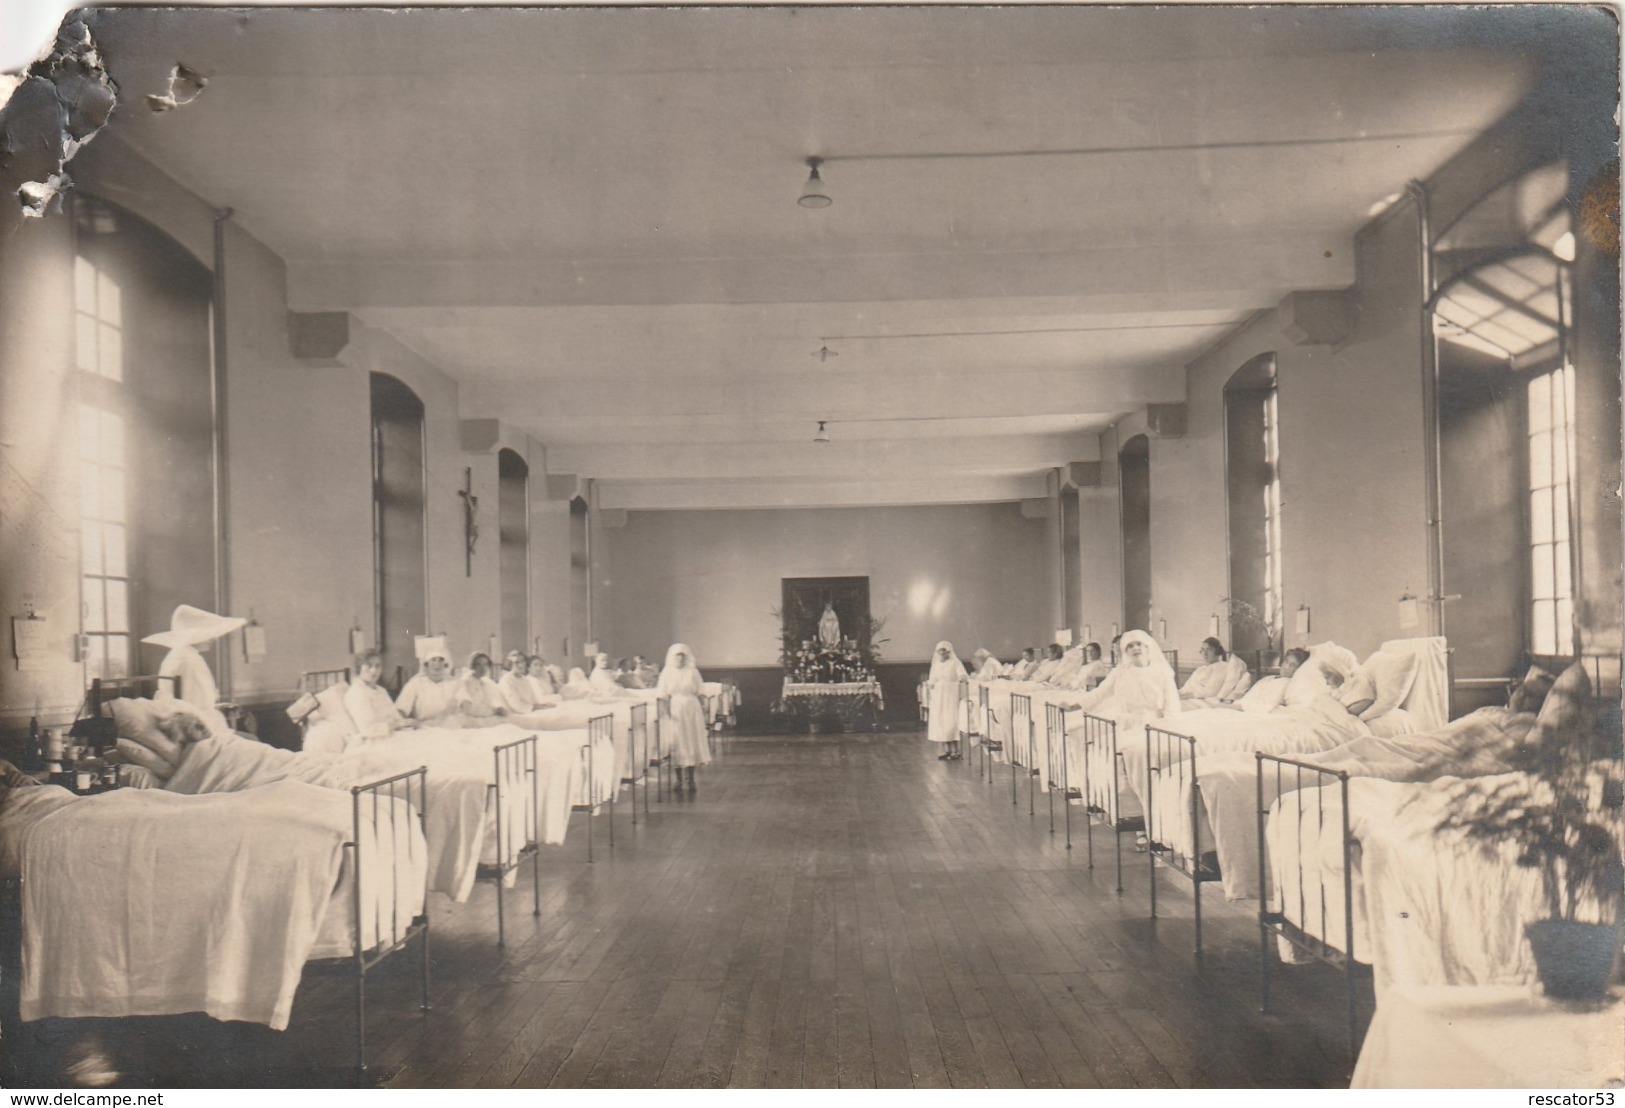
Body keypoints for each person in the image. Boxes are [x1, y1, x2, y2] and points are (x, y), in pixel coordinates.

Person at [142, 604, 246, 734]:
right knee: (252, 743)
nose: (213, 639)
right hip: (194, 729)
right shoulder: (187, 660)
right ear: (192, 635)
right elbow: (191, 707)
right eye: (207, 633)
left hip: (192, 723)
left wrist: (216, 708)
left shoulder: (181, 655)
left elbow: (193, 702)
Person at [1069, 630, 1181, 724]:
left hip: (1154, 724)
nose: (1136, 648)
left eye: (1139, 644)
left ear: (1147, 648)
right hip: (1127, 724)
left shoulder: (1162, 672)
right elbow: (1100, 692)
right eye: (1130, 646)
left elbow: (1172, 704)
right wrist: (1077, 705)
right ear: (1126, 652)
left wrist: (1168, 727)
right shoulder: (1120, 672)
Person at [657, 643, 710, 792]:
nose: (680, 658)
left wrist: (704, 707)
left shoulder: (693, 672)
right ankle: (679, 779)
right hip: (675, 709)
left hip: (692, 709)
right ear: (672, 657)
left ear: (686, 657)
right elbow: (662, 695)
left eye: (682, 655)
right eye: (677, 655)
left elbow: (701, 691)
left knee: (691, 741)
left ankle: (691, 778)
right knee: (677, 742)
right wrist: (666, 713)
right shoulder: (666, 673)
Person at [345, 650, 415, 738]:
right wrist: (398, 724)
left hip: (394, 734)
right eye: (369, 666)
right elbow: (368, 730)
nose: (374, 671)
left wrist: (407, 724)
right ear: (359, 668)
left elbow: (394, 715)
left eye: (377, 666)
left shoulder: (381, 690)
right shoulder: (356, 693)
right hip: (374, 741)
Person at [395, 637, 463, 723]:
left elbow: (465, 706)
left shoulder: (455, 683)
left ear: (445, 664)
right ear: (426, 664)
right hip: (424, 729)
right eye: (433, 660)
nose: (437, 664)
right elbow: (402, 708)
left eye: (440, 660)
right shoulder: (416, 683)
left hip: (450, 728)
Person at [1221, 648, 1311, 712]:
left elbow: (1268, 706)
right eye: (1286, 661)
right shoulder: (1269, 678)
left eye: (1292, 665)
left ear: (1299, 670)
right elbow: (1248, 697)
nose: (1285, 666)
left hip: (1246, 710)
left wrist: (1236, 707)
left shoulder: (1287, 684)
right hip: (1239, 707)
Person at [1180, 637, 1253, 706]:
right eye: (1202, 650)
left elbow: (1211, 691)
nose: (1205, 654)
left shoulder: (1222, 667)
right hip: (1186, 697)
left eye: (1209, 650)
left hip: (1202, 700)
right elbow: (1186, 687)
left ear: (1217, 651)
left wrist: (1186, 695)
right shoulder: (1199, 669)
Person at [926, 641, 968, 760]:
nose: (942, 654)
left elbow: (962, 674)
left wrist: (962, 678)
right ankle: (945, 750)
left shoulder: (955, 662)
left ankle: (955, 750)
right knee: (940, 720)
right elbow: (932, 679)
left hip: (951, 693)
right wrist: (930, 686)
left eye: (944, 651)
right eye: (939, 651)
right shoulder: (935, 665)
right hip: (939, 695)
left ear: (949, 652)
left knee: (951, 720)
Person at [457, 652, 509, 717]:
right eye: (479, 665)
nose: (483, 668)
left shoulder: (487, 682)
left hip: (487, 716)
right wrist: (493, 711)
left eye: (485, 664)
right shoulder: (466, 682)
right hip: (471, 718)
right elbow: (467, 709)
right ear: (472, 666)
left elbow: (493, 699)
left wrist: (499, 707)